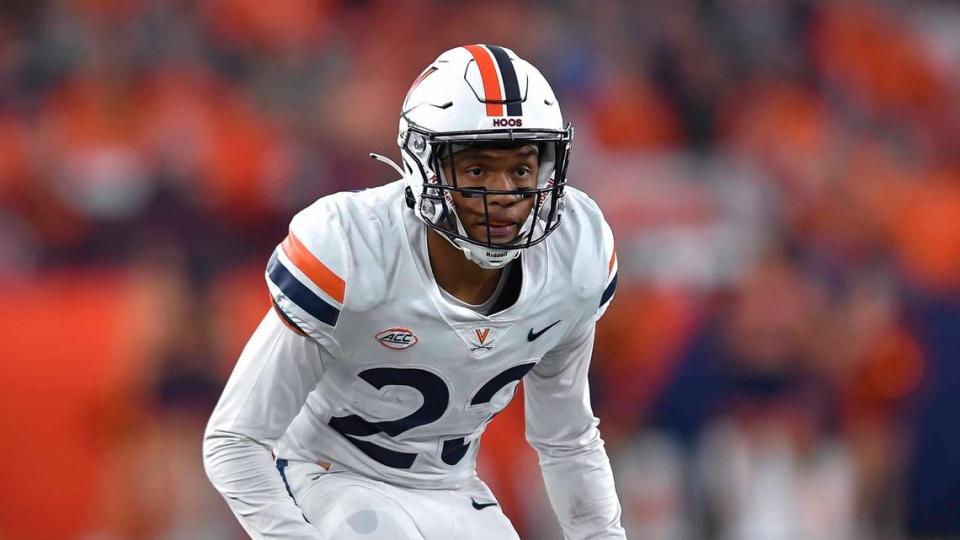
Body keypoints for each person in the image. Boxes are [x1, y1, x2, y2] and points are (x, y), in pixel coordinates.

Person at [203, 44, 625, 539]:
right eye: (476, 170)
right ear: (425, 167)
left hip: (452, 489)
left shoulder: (574, 256)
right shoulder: (354, 248)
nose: (505, 194)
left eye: (520, 169)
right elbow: (234, 440)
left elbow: (568, 440)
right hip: (329, 477)